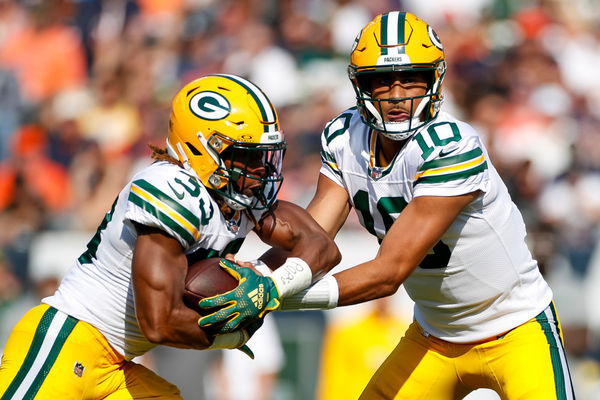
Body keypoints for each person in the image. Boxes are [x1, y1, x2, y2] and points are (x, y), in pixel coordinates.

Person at [198, 12, 576, 399]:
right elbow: (312, 239)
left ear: (434, 80)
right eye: (382, 81)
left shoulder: (452, 146)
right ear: (360, 85)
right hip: (434, 336)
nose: (397, 95)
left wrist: (272, 293)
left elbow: (388, 273)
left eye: (411, 78)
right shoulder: (345, 137)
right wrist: (256, 273)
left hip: (514, 329)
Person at [0, 74, 340, 399]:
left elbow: (321, 246)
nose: (261, 171)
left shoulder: (240, 197)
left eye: (265, 158)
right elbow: (158, 324)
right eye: (247, 157)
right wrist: (235, 332)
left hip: (118, 364)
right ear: (204, 150)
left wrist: (268, 284)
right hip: (67, 343)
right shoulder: (171, 191)